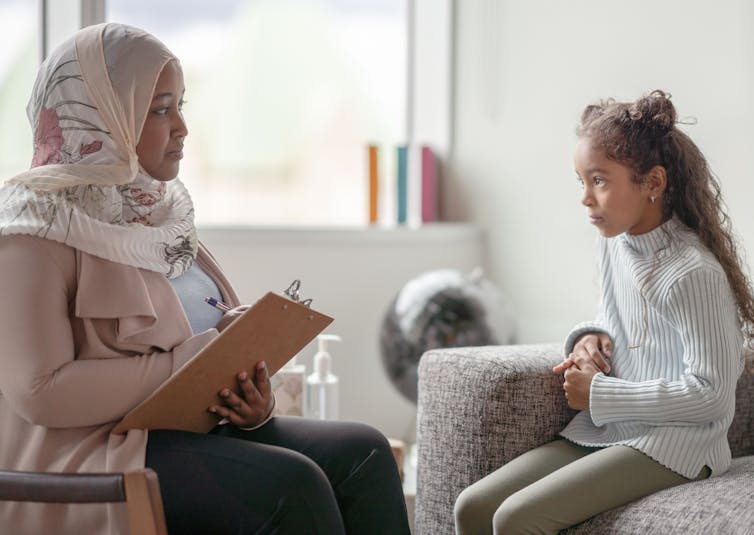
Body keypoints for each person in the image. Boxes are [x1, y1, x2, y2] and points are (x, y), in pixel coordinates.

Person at [0, 23, 410, 535]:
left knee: (365, 452)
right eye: (160, 109)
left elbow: (206, 345)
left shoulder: (159, 218)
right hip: (92, 459)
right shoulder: (31, 233)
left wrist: (248, 398)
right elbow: (40, 392)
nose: (182, 128)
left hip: (184, 434)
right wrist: (194, 359)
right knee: (293, 483)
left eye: (181, 106)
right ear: (104, 116)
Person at [454, 90, 754, 534]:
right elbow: (615, 319)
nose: (585, 198)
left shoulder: (693, 273)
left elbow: (711, 393)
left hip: (678, 445)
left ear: (653, 183)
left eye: (599, 180)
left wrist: (600, 395)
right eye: (581, 181)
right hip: (610, 430)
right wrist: (588, 339)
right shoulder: (615, 243)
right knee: (473, 507)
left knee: (517, 519)